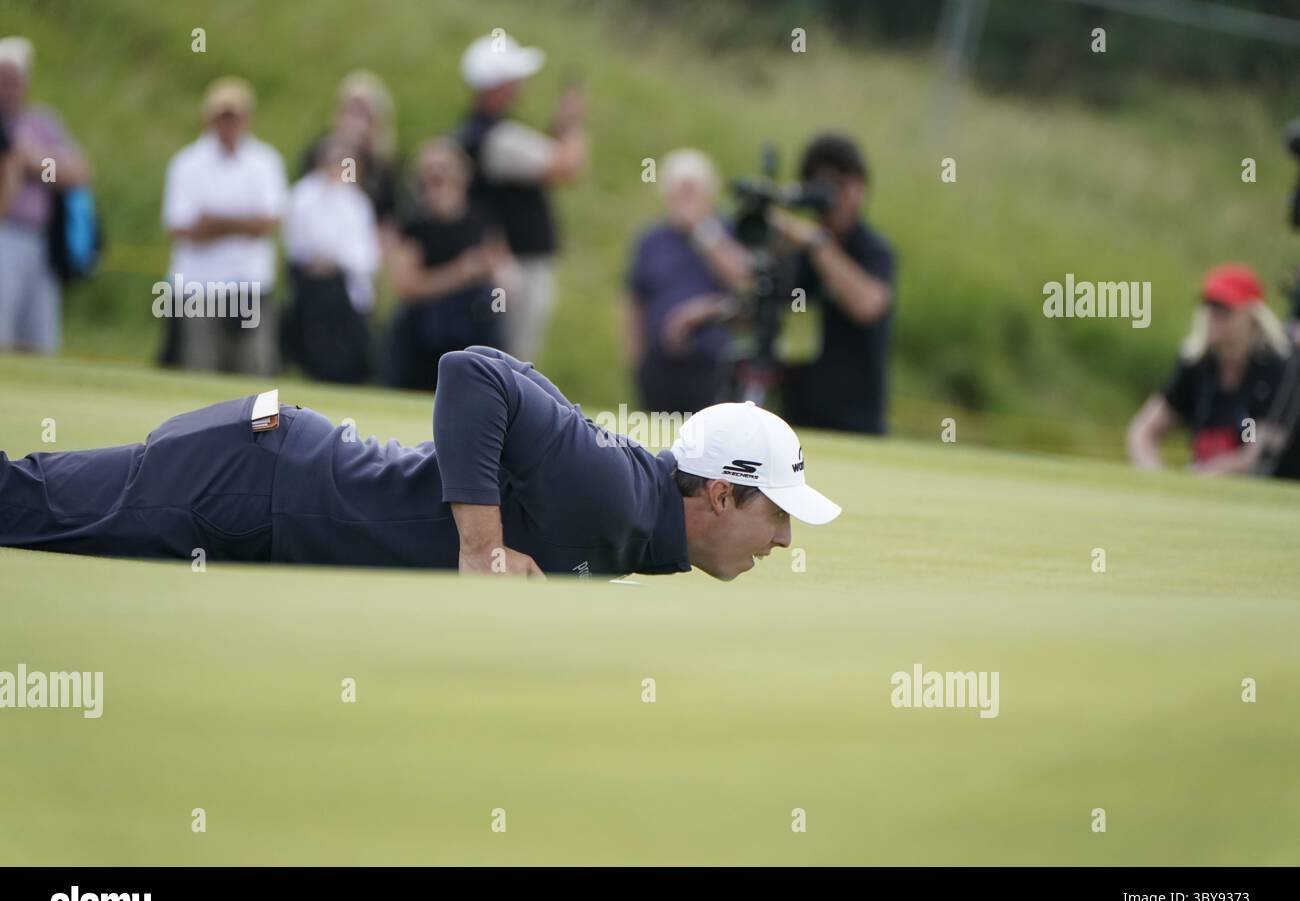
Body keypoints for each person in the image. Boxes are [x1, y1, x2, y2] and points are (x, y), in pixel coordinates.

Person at [0, 347, 841, 580]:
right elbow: (472, 373)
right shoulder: (614, 488)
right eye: (778, 516)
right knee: (20, 504)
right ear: (724, 497)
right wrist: (480, 549)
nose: (783, 544)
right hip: (245, 484)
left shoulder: (633, 514)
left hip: (262, 486)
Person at [455, 32, 586, 362]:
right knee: (514, 359)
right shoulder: (499, 138)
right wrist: (573, 124)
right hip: (517, 265)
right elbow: (566, 166)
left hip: (506, 262)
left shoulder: (477, 133)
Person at [159, 77, 287, 374]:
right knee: (201, 365)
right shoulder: (187, 163)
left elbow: (268, 224)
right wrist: (244, 223)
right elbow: (182, 228)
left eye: (234, 116)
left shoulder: (265, 162)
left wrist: (214, 222)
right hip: (200, 286)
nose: (228, 124)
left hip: (250, 284)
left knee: (253, 369)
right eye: (222, 117)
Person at [770, 133, 896, 435]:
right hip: (795, 417)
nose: (834, 198)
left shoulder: (872, 249)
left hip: (857, 419)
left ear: (860, 188)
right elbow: (764, 304)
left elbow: (868, 305)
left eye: (841, 185)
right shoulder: (795, 251)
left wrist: (817, 244)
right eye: (822, 186)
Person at [1127, 264, 1296, 477]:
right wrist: (1153, 471)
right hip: (1202, 475)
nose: (1215, 317)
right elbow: (1143, 430)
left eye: (1226, 310)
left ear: (1253, 318)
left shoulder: (1275, 370)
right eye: (1211, 308)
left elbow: (1254, 451)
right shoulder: (1196, 364)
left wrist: (1201, 475)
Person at [625, 149, 751, 414]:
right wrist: (635, 361)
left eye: (692, 192)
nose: (685, 200)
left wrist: (701, 232)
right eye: (679, 192)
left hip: (711, 366)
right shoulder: (652, 240)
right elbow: (634, 301)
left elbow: (745, 283)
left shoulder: (726, 232)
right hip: (660, 367)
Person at [385, 138, 509, 392]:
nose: (436, 177)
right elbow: (408, 287)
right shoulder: (414, 225)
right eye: (428, 171)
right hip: (426, 329)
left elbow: (501, 272)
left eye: (443, 168)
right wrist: (461, 272)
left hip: (473, 321)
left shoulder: (482, 220)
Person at [0, 36, 90, 354]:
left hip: (41, 240)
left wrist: (30, 160)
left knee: (39, 335)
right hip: (5, 233)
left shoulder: (40, 122)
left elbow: (78, 171)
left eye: (15, 81)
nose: (8, 88)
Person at [281, 135, 381, 384]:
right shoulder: (302, 196)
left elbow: (368, 257)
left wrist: (337, 259)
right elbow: (299, 247)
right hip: (312, 288)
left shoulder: (358, 202)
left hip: (347, 292)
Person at [299, 70, 399, 228]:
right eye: (350, 112)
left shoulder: (381, 166)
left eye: (362, 114)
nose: (355, 121)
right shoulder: (321, 152)